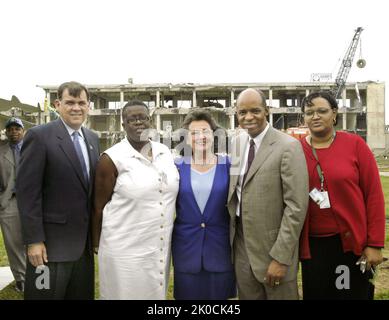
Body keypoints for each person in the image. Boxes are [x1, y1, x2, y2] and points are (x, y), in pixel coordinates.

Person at [16, 81, 100, 300]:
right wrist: (34, 240)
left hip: (83, 248)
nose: (76, 108)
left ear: (88, 105)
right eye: (70, 102)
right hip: (48, 249)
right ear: (57, 104)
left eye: (81, 103)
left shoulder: (92, 139)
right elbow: (27, 193)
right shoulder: (39, 136)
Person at [299, 91, 386, 300]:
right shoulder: (295, 149)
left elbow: (374, 196)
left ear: (334, 114)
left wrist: (374, 244)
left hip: (351, 246)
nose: (315, 116)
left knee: (349, 293)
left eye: (322, 111)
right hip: (313, 248)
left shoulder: (355, 145)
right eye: (309, 112)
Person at [92, 100, 179, 300]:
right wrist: (96, 244)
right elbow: (98, 207)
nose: (139, 122)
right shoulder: (111, 158)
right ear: (123, 125)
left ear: (151, 121)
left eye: (143, 118)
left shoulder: (164, 152)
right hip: (123, 249)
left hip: (157, 246)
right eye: (132, 119)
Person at [228, 88, 309, 300]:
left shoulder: (288, 146)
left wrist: (281, 258)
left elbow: (296, 207)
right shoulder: (236, 144)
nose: (248, 117)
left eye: (255, 110)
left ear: (267, 110)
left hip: (273, 249)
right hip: (242, 246)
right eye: (242, 112)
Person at [172, 110, 236, 300]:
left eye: (205, 131)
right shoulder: (175, 167)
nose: (200, 136)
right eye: (194, 133)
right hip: (186, 250)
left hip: (220, 250)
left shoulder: (229, 165)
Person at [0, 117, 26, 292]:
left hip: (33, 201)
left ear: (23, 131)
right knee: (13, 243)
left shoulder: (33, 148)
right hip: (10, 201)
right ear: (6, 132)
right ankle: (21, 279)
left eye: (17, 128)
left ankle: (41, 277)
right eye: (10, 129)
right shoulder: (1, 151)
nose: (13, 132)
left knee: (36, 241)